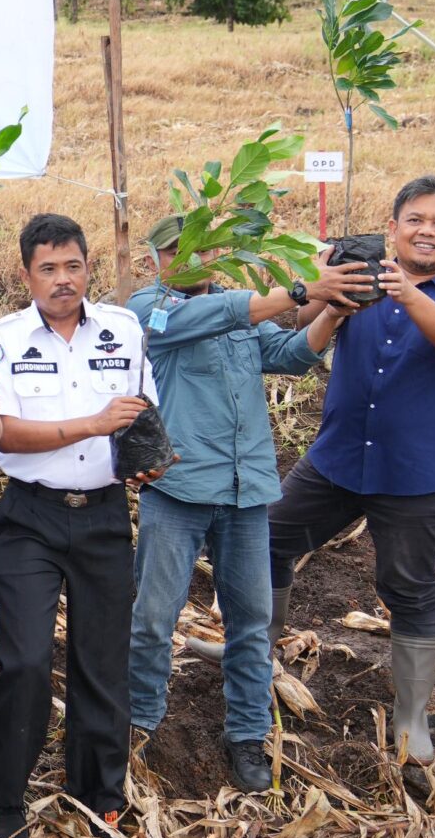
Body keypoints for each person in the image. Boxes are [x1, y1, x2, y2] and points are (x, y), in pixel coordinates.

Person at [126, 233, 377, 792]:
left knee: (252, 625)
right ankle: (141, 723)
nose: (189, 256)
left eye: (202, 247)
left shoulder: (243, 309)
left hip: (246, 491)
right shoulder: (148, 311)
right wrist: (298, 289)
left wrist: (331, 313)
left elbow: (291, 354)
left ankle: (246, 734)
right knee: (152, 618)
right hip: (179, 488)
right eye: (176, 248)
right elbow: (216, 313)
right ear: (156, 259)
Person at [270, 178, 435, 761]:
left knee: (411, 588)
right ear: (392, 227)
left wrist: (407, 294)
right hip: (337, 458)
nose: (427, 230)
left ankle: (412, 716)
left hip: (414, 472)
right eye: (415, 219)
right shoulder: (358, 277)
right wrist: (324, 287)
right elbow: (297, 334)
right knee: (267, 539)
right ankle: (256, 652)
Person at [0, 214, 168, 838]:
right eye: (48, 269)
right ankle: (7, 796)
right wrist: (89, 425)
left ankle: (99, 794)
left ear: (89, 266)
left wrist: (146, 462)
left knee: (102, 661)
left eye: (73, 266)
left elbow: (142, 414)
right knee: (26, 660)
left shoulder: (123, 328)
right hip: (29, 516)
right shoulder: (0, 341)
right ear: (25, 273)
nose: (63, 281)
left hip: (105, 516)